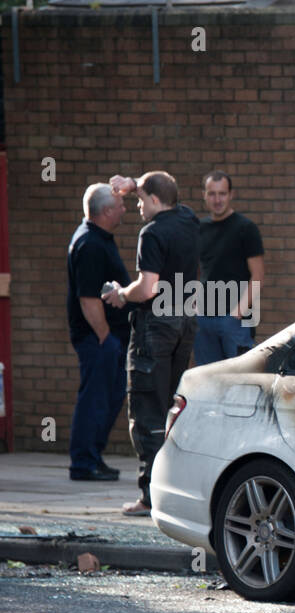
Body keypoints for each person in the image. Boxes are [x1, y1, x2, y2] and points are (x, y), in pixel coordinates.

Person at [102, 171, 200, 516]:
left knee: (147, 411)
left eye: (141, 200)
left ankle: (149, 497)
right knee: (171, 408)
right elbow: (167, 189)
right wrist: (135, 184)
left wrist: (120, 295)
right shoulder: (188, 219)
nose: (138, 206)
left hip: (155, 327)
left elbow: (147, 288)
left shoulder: (153, 232)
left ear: (155, 201)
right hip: (185, 323)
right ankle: (172, 491)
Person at [66, 183, 130, 481]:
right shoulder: (90, 244)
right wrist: (105, 337)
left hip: (107, 339)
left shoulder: (99, 238)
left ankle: (93, 457)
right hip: (98, 339)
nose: (124, 210)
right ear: (106, 211)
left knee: (109, 397)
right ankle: (83, 463)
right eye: (120, 206)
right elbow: (88, 298)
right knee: (95, 398)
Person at [194, 170, 264, 364]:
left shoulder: (246, 228)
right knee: (206, 382)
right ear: (204, 195)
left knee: (238, 383)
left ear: (231, 195)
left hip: (235, 321)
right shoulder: (199, 228)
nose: (217, 200)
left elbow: (258, 276)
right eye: (212, 193)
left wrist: (237, 313)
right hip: (204, 319)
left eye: (222, 193)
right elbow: (198, 270)